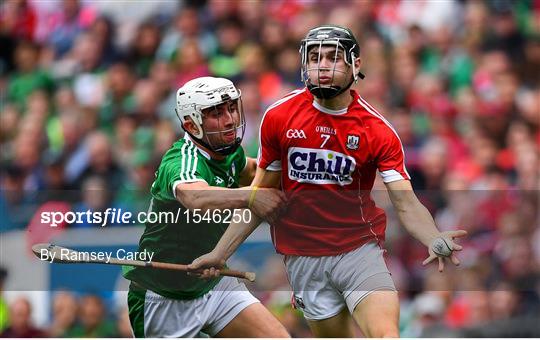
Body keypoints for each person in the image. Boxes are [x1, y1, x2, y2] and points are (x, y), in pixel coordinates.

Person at [189, 26, 467, 337]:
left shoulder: (377, 129)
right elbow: (260, 198)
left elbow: (406, 203)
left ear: (355, 66)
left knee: (386, 334)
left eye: (333, 58)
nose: (321, 65)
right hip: (303, 259)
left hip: (358, 251)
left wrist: (431, 237)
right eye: (314, 57)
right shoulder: (279, 117)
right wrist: (219, 254)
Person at [123, 76, 289, 337]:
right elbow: (196, 198)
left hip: (215, 284)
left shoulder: (228, 153)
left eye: (232, 108)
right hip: (163, 298)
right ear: (192, 124)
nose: (230, 119)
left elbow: (258, 171)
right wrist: (252, 196)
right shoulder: (181, 160)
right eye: (216, 113)